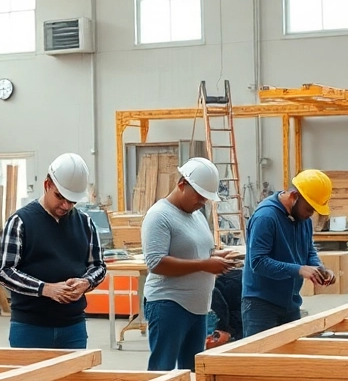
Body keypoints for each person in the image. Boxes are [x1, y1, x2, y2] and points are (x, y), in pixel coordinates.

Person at [0, 153, 107, 349]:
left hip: (73, 326)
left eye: (72, 201)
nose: (65, 206)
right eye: (60, 197)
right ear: (47, 184)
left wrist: (85, 282)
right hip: (30, 327)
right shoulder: (20, 222)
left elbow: (98, 266)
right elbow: (4, 271)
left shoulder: (86, 223)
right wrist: (45, 289)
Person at [141, 158, 239, 370]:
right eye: (199, 196)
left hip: (198, 308)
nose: (202, 202)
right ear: (182, 184)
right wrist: (204, 264)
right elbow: (156, 263)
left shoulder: (196, 215)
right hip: (169, 304)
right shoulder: (159, 216)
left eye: (206, 198)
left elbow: (199, 251)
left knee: (194, 371)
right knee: (162, 371)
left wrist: (217, 256)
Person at [241, 169, 335, 336]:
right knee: (261, 360)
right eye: (308, 209)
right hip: (261, 306)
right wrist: (298, 269)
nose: (310, 214)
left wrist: (319, 269)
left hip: (291, 304)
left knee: (291, 360)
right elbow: (258, 262)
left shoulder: (302, 217)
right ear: (294, 196)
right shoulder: (266, 217)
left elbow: (308, 250)